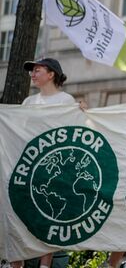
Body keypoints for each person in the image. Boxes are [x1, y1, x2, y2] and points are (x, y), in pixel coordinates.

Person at [16, 58, 77, 268]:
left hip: (54, 166)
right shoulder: (28, 102)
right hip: (29, 164)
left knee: (49, 213)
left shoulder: (66, 100)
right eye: (32, 71)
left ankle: (45, 263)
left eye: (37, 70)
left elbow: (73, 130)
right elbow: (18, 130)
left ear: (51, 74)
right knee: (21, 212)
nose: (32, 74)